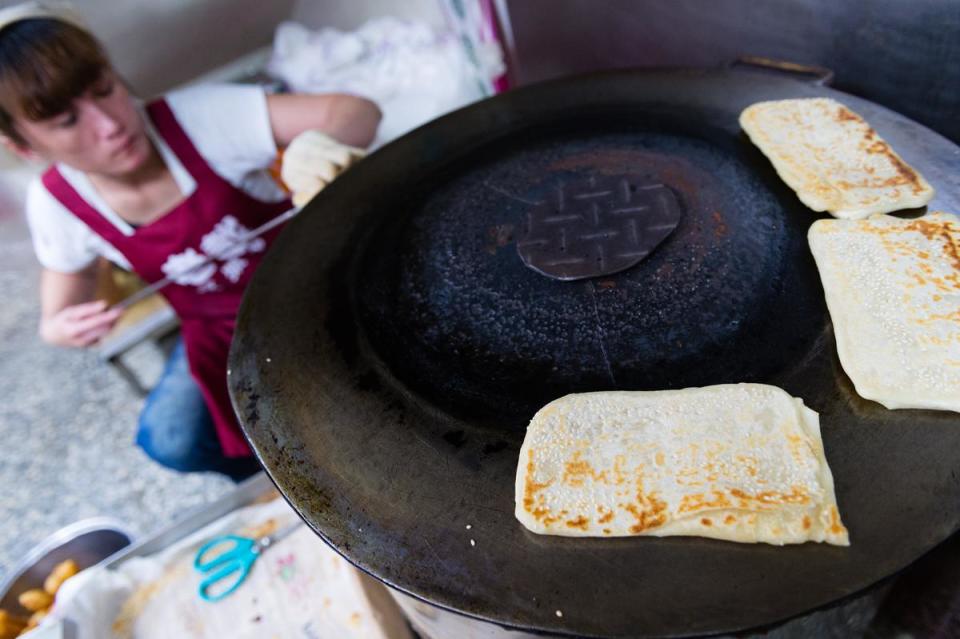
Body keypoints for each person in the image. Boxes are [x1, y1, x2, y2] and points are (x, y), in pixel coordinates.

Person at [0, 2, 382, 480]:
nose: (110, 124)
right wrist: (62, 329)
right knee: (171, 440)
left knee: (359, 408)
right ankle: (277, 482)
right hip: (222, 333)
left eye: (105, 90)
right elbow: (56, 314)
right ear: (25, 147)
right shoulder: (56, 203)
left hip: (314, 291)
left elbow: (355, 110)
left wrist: (318, 144)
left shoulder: (197, 120)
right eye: (66, 122)